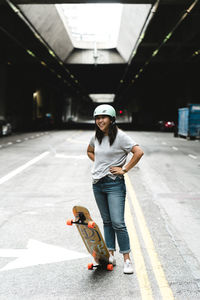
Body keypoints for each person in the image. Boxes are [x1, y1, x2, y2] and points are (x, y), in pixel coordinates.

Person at [87, 104, 144, 274]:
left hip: (114, 184)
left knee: (118, 223)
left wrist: (124, 169)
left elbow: (138, 152)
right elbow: (89, 151)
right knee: (107, 222)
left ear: (112, 120)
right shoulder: (96, 137)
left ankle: (127, 260)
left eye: (103, 117)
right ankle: (110, 255)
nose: (100, 121)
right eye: (97, 118)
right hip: (97, 183)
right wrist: (100, 165)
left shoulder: (120, 136)